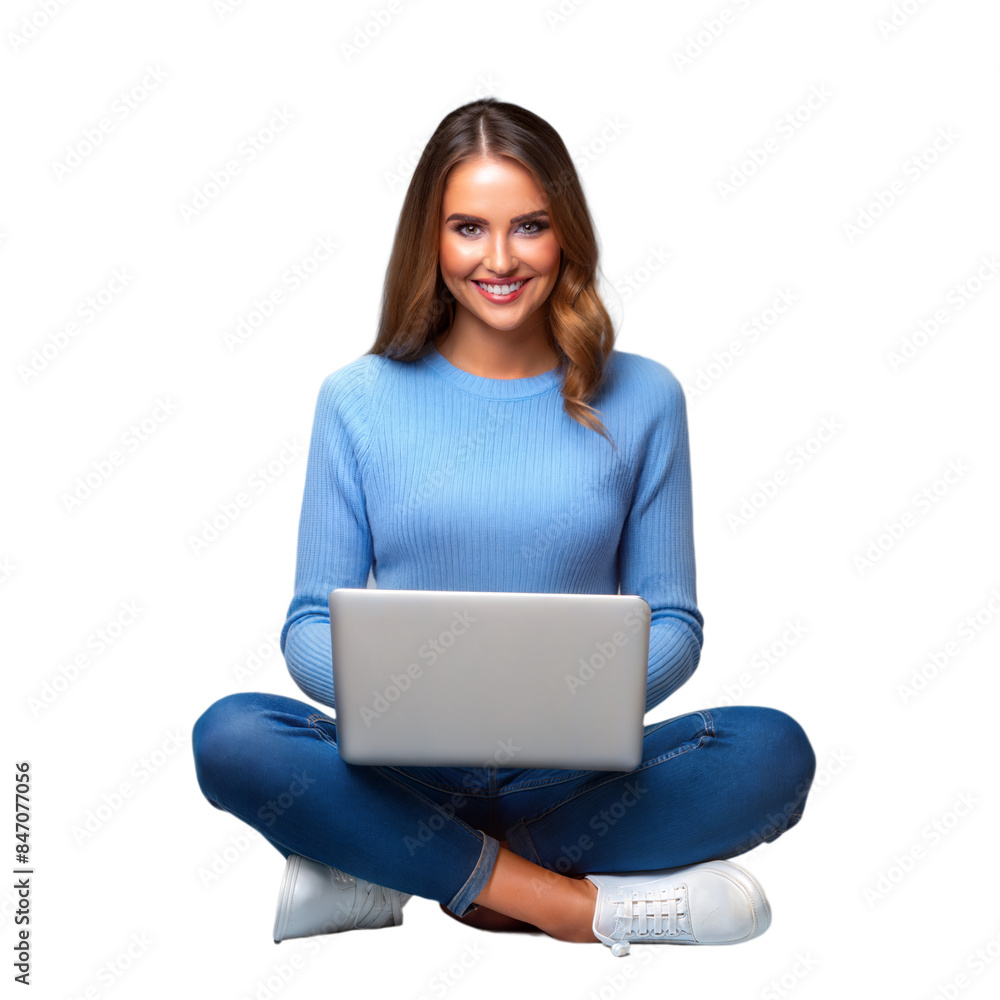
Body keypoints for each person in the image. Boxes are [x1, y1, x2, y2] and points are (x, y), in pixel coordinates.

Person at [192, 97, 816, 957]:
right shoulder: (357, 399)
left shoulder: (645, 397)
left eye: (529, 226)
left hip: (573, 778)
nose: (499, 259)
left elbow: (673, 618)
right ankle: (568, 905)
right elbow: (307, 624)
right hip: (404, 771)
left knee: (771, 752)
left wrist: (563, 703)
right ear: (430, 239)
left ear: (566, 236)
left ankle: (392, 864)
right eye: (468, 228)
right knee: (233, 737)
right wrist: (415, 697)